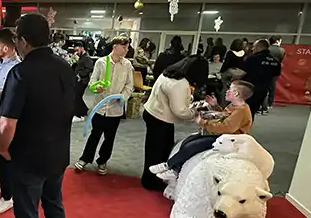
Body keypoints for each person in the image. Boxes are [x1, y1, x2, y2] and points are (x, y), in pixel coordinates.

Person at [0, 13, 76, 218]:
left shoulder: (21, 72)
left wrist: (2, 149)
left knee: (27, 212)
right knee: (54, 205)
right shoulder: (65, 67)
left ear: (23, 40)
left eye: (16, 38)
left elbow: (7, 122)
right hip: (59, 153)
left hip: (28, 157)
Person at [150, 80, 255, 182]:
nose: (227, 91)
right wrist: (214, 106)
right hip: (221, 135)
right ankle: (175, 169)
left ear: (236, 93)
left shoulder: (241, 111)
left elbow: (226, 127)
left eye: (230, 89)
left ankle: (168, 165)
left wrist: (203, 122)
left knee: (194, 145)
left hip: (228, 139)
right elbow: (224, 116)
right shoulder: (234, 106)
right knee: (188, 141)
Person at [141, 55, 209, 191]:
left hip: (155, 113)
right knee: (158, 151)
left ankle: (151, 179)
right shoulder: (179, 83)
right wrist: (196, 113)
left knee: (158, 149)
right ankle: (151, 181)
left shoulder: (170, 73)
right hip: (160, 118)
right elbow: (180, 111)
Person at [74, 37, 136, 176]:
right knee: (94, 134)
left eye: (127, 47)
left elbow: (129, 86)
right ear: (115, 46)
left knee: (110, 137)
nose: (127, 50)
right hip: (100, 107)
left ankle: (103, 160)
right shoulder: (101, 63)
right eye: (124, 47)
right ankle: (85, 158)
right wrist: (97, 88)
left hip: (116, 109)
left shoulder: (127, 65)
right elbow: (92, 82)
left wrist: (121, 98)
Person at [0, 28, 21, 215]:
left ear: (7, 48)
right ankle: (7, 183)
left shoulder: (15, 68)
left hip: (5, 118)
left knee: (3, 154)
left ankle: (8, 197)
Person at [243, 39, 282, 118]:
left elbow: (242, 73)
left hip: (249, 89)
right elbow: (276, 75)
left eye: (254, 47)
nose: (253, 49)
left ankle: (242, 128)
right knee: (252, 111)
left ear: (260, 47)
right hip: (263, 90)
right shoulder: (275, 61)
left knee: (244, 111)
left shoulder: (252, 59)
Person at [72, 41, 94, 121]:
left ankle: (79, 114)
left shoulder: (87, 58)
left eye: (77, 50)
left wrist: (80, 74)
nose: (76, 52)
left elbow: (89, 68)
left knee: (77, 96)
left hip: (83, 80)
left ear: (82, 48)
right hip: (78, 80)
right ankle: (84, 110)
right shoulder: (81, 58)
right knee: (77, 96)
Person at [265, 36, 286, 113]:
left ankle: (262, 103)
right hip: (275, 70)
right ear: (277, 41)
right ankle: (269, 104)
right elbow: (280, 60)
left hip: (264, 69)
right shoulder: (282, 50)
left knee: (263, 86)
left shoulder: (266, 49)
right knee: (272, 88)